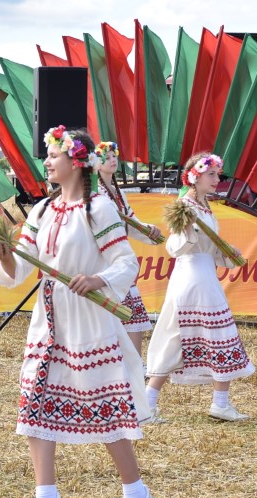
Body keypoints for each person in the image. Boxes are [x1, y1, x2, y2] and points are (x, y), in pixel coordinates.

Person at [0, 126, 155, 498]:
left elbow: (126, 262)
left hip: (88, 320)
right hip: (48, 321)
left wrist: (96, 279)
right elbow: (20, 268)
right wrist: (4, 257)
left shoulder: (99, 209)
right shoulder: (42, 210)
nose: (46, 162)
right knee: (34, 402)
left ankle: (136, 494)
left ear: (77, 162)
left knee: (103, 408)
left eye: (53, 155)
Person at [145, 152, 255, 422]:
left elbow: (210, 248)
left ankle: (216, 403)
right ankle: (149, 404)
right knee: (197, 335)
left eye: (218, 174)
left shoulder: (204, 206)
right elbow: (174, 247)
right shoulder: (185, 206)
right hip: (193, 278)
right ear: (194, 177)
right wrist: (191, 232)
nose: (217, 179)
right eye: (211, 174)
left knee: (187, 337)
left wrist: (227, 252)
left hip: (204, 276)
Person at [95, 141, 161, 355]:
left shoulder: (117, 192)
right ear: (96, 164)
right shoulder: (96, 193)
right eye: (106, 158)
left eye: (114, 156)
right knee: (110, 317)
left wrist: (148, 230)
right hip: (104, 258)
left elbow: (131, 222)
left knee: (133, 316)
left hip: (120, 257)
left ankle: (135, 364)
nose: (112, 160)